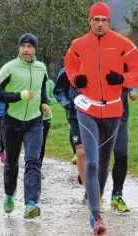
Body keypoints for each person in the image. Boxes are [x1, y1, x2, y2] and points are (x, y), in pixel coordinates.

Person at [64, 2, 138, 234]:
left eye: (104, 20)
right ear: (89, 21)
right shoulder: (78, 45)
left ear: (109, 22)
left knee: (102, 163)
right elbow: (69, 67)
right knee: (91, 161)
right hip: (87, 109)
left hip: (113, 110)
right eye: (95, 20)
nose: (99, 24)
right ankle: (96, 216)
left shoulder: (123, 44)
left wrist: (122, 79)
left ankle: (96, 206)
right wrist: (75, 78)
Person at [0, 33, 50, 219]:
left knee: (33, 161)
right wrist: (19, 96)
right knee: (12, 162)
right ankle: (9, 194)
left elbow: (42, 90)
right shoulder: (9, 68)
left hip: (34, 121)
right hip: (12, 121)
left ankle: (31, 203)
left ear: (35, 49)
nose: (26, 50)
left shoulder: (41, 68)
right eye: (23, 46)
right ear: (18, 48)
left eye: (30, 46)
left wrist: (44, 103)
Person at [53, 68, 87, 203]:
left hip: (94, 113)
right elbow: (58, 90)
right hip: (74, 114)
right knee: (80, 151)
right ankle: (88, 191)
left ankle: (92, 182)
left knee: (93, 151)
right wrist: (65, 103)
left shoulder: (96, 63)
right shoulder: (67, 70)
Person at [109, 87, 137, 213]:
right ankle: (94, 195)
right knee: (98, 158)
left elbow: (132, 76)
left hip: (121, 116)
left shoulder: (124, 67)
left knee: (121, 154)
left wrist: (134, 90)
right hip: (99, 116)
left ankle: (117, 194)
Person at [39, 75, 57, 179]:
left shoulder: (50, 83)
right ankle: (32, 167)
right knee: (33, 144)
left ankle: (39, 167)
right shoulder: (32, 81)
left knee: (42, 143)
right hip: (33, 117)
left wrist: (48, 100)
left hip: (46, 117)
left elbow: (56, 97)